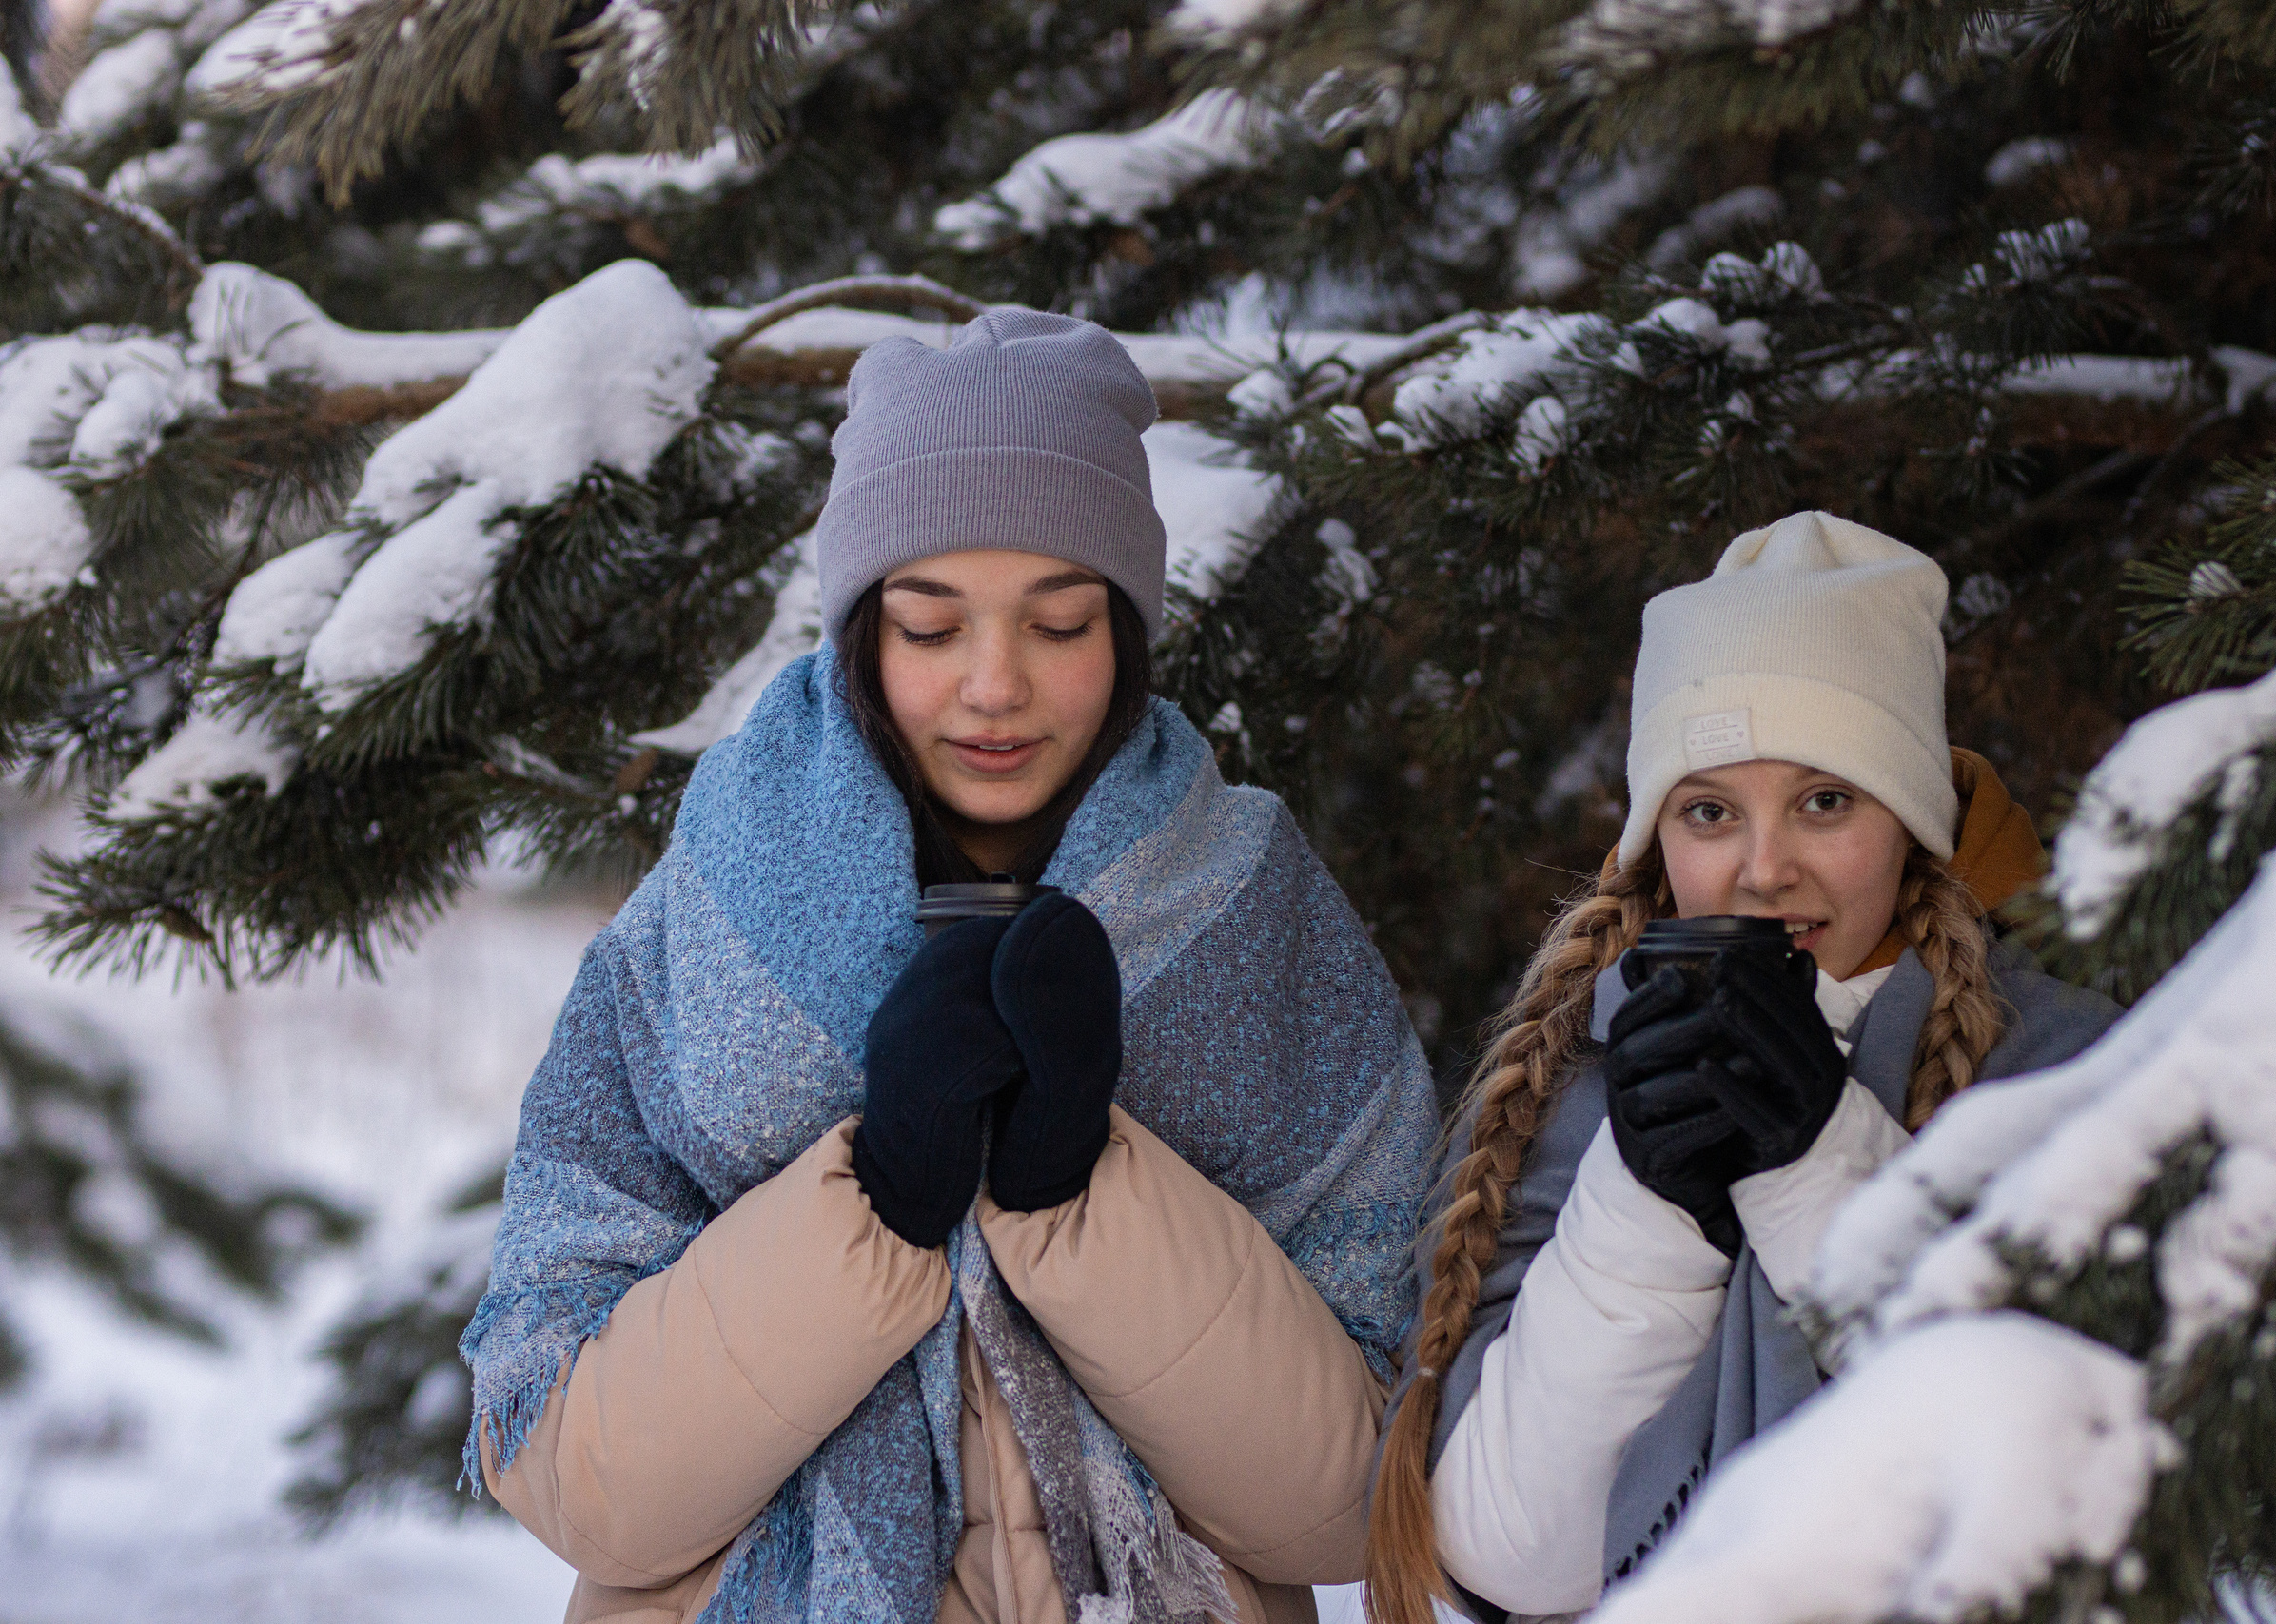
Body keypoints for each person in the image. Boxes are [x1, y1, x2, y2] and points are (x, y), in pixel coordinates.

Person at [461, 308, 1435, 1624]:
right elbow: (568, 1473)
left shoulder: (1252, 913)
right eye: (929, 627)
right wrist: (878, 1203)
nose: (995, 685)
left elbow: (1363, 1500)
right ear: (859, 632)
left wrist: (1075, 1194)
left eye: (1060, 621)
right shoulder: (708, 918)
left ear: (1129, 630)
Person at [1363, 512, 2123, 1624]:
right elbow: (1511, 1553)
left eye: (1826, 801)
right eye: (1709, 810)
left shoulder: (2067, 1068)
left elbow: (2088, 1508)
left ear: (1910, 819)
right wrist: (1648, 1202)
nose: (1764, 871)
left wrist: (1817, 1165)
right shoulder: (1571, 1087)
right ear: (1655, 839)